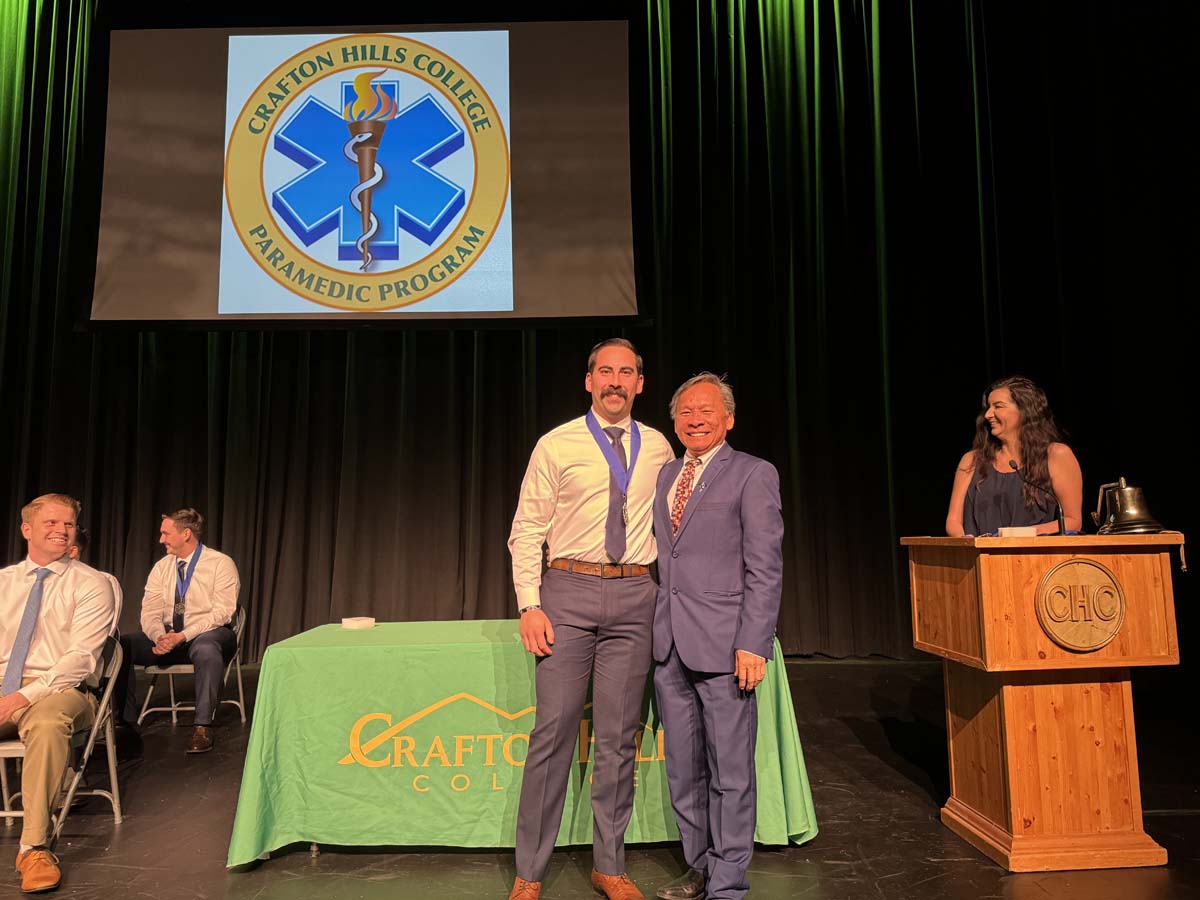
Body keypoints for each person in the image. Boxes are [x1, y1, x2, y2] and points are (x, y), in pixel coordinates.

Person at [506, 338, 675, 900]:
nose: (615, 381)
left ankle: (610, 865)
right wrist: (530, 603)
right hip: (568, 594)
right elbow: (527, 530)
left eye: (626, 372)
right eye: (606, 370)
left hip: (634, 597)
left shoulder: (658, 447)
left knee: (618, 739)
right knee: (552, 733)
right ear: (588, 380)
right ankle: (529, 873)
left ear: (640, 384)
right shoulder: (557, 444)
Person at [651, 374, 784, 900]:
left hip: (728, 647)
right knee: (684, 773)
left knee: (730, 774)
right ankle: (699, 868)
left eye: (706, 411)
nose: (696, 419)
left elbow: (765, 567)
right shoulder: (665, 475)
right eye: (686, 412)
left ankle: (728, 884)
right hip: (670, 648)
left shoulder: (753, 474)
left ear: (729, 418)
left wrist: (754, 641)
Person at [0, 494, 114, 893]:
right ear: (26, 529)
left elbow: (80, 659)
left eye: (67, 524)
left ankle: (33, 848)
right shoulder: (4, 582)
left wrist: (20, 697)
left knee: (48, 722)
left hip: (59, 690)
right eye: (50, 523)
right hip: (3, 689)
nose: (61, 530)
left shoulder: (91, 583)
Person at [112, 508, 239, 754]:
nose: (161, 539)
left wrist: (183, 635)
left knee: (206, 648)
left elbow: (222, 613)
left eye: (165, 533)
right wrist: (159, 636)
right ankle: (124, 725)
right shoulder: (162, 567)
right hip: (170, 636)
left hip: (209, 633)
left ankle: (203, 726)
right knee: (122, 646)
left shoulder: (220, 564)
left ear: (186, 534)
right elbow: (149, 610)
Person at [946, 375, 1083, 537]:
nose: (988, 414)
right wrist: (967, 542)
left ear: (1024, 410)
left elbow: (1072, 520)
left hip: (1034, 559)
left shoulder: (1056, 454)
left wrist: (1015, 535)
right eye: (988, 407)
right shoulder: (972, 460)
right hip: (980, 557)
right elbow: (953, 522)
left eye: (998, 406)